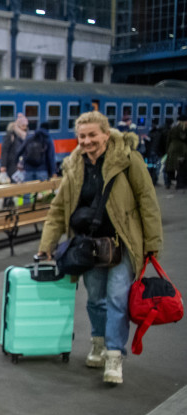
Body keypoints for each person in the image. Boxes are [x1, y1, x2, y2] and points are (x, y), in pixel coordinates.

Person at [37, 110, 163, 386]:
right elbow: (58, 208)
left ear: (106, 134)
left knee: (117, 298)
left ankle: (114, 355)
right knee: (95, 299)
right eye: (81, 136)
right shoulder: (74, 165)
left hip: (122, 243)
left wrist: (152, 244)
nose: (87, 141)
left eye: (92, 135)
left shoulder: (128, 160)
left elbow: (147, 201)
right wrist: (47, 244)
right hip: (89, 246)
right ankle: (98, 343)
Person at [165, 114, 187, 190]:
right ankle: (180, 183)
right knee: (182, 167)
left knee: (171, 166)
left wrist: (167, 149)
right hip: (182, 150)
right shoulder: (184, 129)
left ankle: (168, 182)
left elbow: (168, 139)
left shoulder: (173, 128)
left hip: (172, 149)